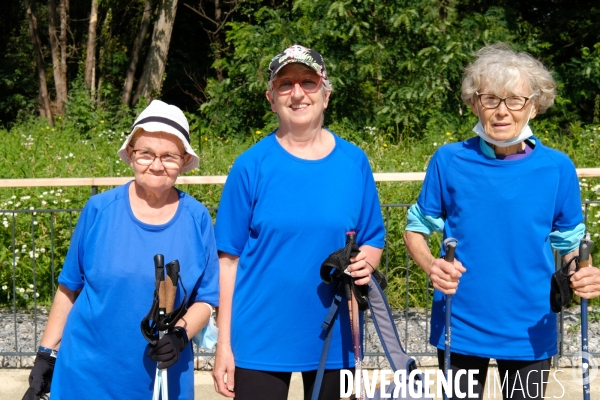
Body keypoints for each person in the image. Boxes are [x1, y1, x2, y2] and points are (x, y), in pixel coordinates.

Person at [404, 43, 600, 400]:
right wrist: (432, 265)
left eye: (515, 100)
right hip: (458, 323)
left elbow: (569, 244)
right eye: (490, 99)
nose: (502, 111)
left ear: (534, 107)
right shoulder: (448, 160)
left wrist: (581, 271)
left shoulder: (557, 168)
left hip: (530, 327)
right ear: (474, 103)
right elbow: (416, 227)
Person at [212, 44, 385, 400]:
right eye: (285, 84)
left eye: (308, 82)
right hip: (259, 338)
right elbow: (228, 261)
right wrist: (223, 345)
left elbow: (372, 238)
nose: (297, 93)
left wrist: (364, 265)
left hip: (335, 337)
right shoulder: (250, 165)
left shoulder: (354, 163)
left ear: (326, 94)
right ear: (271, 98)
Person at [22, 100, 219, 400]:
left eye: (169, 156)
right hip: (86, 377)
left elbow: (205, 299)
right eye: (146, 154)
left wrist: (180, 336)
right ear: (130, 155)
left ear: (183, 160)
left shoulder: (197, 218)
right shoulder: (99, 210)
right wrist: (46, 355)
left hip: (163, 378)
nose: (156, 164)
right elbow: (68, 289)